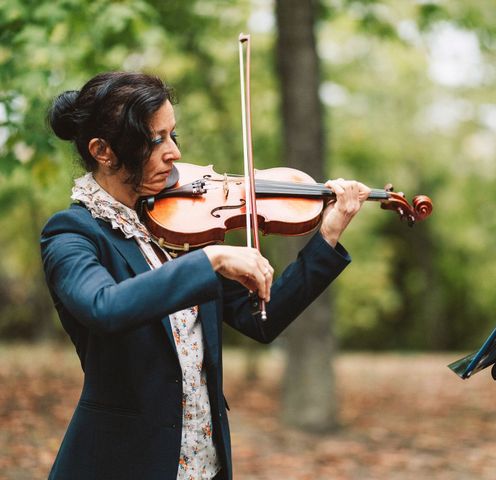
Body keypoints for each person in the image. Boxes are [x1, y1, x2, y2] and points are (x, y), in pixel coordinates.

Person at [41, 71, 370, 480]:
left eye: (172, 134)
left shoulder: (176, 226)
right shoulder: (72, 234)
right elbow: (103, 306)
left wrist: (329, 232)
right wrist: (210, 260)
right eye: (154, 139)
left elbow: (261, 320)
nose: (174, 153)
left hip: (203, 467)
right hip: (122, 463)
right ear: (102, 151)